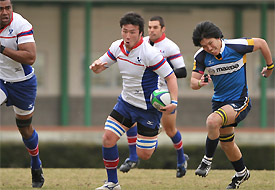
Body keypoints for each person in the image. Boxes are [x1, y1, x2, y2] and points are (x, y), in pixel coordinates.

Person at [90, 12, 178, 190]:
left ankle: (154, 129)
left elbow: (171, 77)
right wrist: (96, 67)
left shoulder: (150, 53)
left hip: (148, 109)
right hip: (125, 103)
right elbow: (101, 65)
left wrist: (174, 102)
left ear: (140, 33)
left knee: (144, 155)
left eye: (132, 32)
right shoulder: (117, 47)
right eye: (124, 31)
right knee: (108, 138)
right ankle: (112, 183)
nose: (127, 36)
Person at [191, 21, 273, 189]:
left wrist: (270, 67)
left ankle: (207, 161)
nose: (208, 48)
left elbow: (262, 43)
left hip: (239, 101)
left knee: (212, 121)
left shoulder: (237, 46)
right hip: (219, 102)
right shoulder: (200, 56)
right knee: (227, 143)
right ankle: (242, 173)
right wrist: (201, 82)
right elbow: (193, 82)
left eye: (210, 43)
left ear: (218, 37)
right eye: (204, 46)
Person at [119, 15, 189, 178]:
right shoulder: (141, 43)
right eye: (150, 27)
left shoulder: (170, 47)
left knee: (170, 130)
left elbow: (183, 71)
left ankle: (181, 160)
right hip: (142, 93)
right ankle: (132, 158)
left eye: (155, 27)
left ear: (163, 29)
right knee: (130, 121)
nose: (152, 30)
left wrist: (160, 70)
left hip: (163, 96)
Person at [0, 0, 45, 188]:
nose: (5, 12)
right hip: (1, 81)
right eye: (0, 9)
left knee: (25, 128)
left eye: (7, 8)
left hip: (22, 84)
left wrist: (2, 49)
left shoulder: (20, 24)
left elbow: (31, 57)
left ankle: (36, 163)